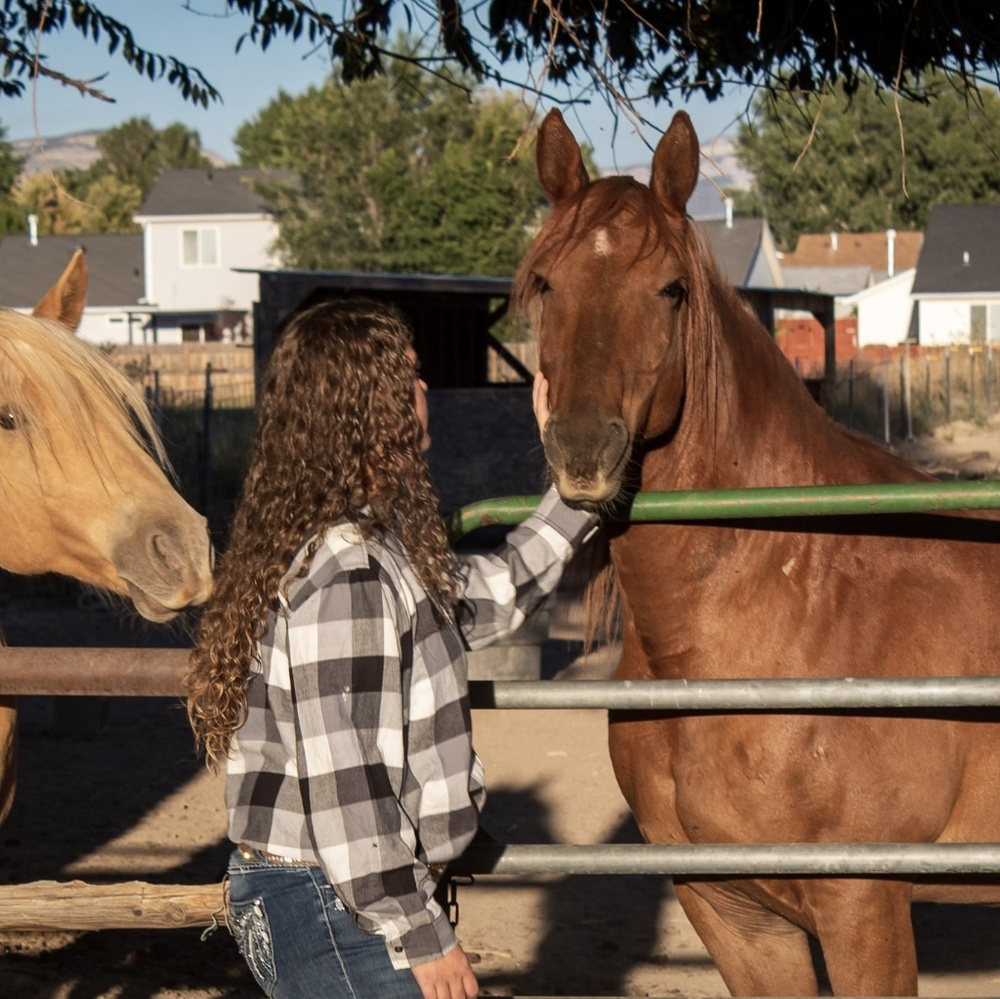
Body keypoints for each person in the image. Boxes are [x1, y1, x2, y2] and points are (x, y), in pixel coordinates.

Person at [185, 298, 598, 999]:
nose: (425, 390)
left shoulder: (373, 550)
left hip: (327, 892)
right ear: (365, 405)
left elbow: (489, 594)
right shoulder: (348, 572)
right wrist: (421, 932)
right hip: (337, 898)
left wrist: (577, 480)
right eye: (408, 377)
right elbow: (346, 777)